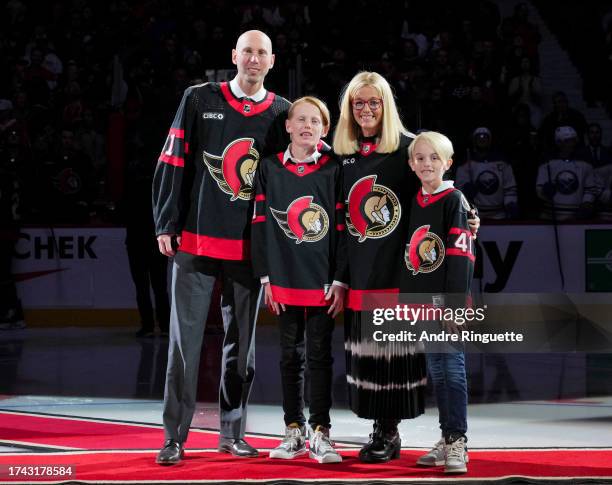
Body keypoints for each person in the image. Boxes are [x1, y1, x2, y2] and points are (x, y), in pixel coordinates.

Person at [152, 30, 290, 465]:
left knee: (241, 349)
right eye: (246, 51)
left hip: (250, 250)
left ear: (272, 61)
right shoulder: (198, 98)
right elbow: (172, 160)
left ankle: (232, 433)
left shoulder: (283, 112)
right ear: (234, 56)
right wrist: (166, 221)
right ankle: (174, 436)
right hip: (194, 242)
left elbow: (294, 178)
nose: (253, 59)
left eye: (261, 53)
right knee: (183, 346)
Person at [332, 71, 479, 464]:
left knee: (410, 362)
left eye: (373, 102)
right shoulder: (341, 153)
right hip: (362, 270)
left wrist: (470, 215)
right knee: (371, 362)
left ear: (387, 105)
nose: (366, 109)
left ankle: (401, 432)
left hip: (407, 277)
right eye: (358, 102)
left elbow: (442, 192)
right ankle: (393, 430)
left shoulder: (411, 147)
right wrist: (340, 275)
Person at [251, 96, 346, 464]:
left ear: (324, 130)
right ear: (288, 126)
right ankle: (293, 429)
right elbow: (259, 227)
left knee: (321, 356)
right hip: (284, 280)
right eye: (301, 119)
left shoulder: (333, 169)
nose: (308, 125)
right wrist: (265, 279)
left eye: (316, 121)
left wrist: (339, 278)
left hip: (322, 282)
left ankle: (321, 432)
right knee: (290, 357)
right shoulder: (270, 168)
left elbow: (341, 230)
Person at [401, 131, 474, 474]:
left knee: (452, 368)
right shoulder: (415, 199)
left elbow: (460, 256)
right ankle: (446, 439)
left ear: (448, 162)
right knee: (438, 372)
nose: (426, 163)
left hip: (446, 303)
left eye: (434, 157)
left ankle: (457, 439)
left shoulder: (454, 199)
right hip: (420, 302)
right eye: (420, 157)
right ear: (411, 163)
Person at [456, 126, 518, 219]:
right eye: (479, 137)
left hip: (499, 214)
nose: (482, 140)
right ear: (474, 140)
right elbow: (459, 189)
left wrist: (511, 203)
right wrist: (465, 192)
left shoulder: (502, 162)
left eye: (485, 137)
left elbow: (509, 187)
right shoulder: (466, 163)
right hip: (474, 215)